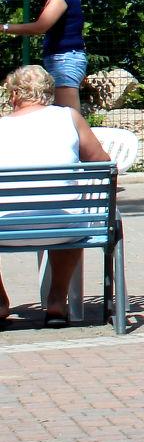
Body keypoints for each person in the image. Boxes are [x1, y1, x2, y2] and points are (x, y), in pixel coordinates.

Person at [0, 64, 111, 328]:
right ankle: (57, 301)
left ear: (14, 95)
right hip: (65, 229)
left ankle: (0, 301)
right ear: (49, 93)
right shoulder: (69, 117)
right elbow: (103, 163)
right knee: (71, 215)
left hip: (5, 229)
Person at [2, 0, 87, 111]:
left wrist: (4, 27)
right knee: (63, 118)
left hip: (65, 61)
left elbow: (40, 27)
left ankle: (89, 139)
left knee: (69, 118)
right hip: (60, 60)